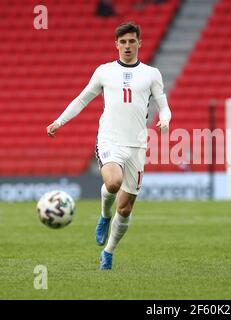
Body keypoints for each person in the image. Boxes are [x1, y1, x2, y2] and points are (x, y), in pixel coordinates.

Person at [46, 22, 171, 270]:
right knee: (112, 182)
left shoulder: (151, 74)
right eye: (122, 42)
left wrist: (165, 118)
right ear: (116, 44)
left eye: (131, 41)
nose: (127, 46)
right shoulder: (104, 71)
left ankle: (109, 251)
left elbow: (163, 104)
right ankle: (104, 215)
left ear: (139, 43)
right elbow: (82, 99)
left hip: (136, 145)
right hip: (110, 139)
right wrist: (59, 121)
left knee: (124, 209)